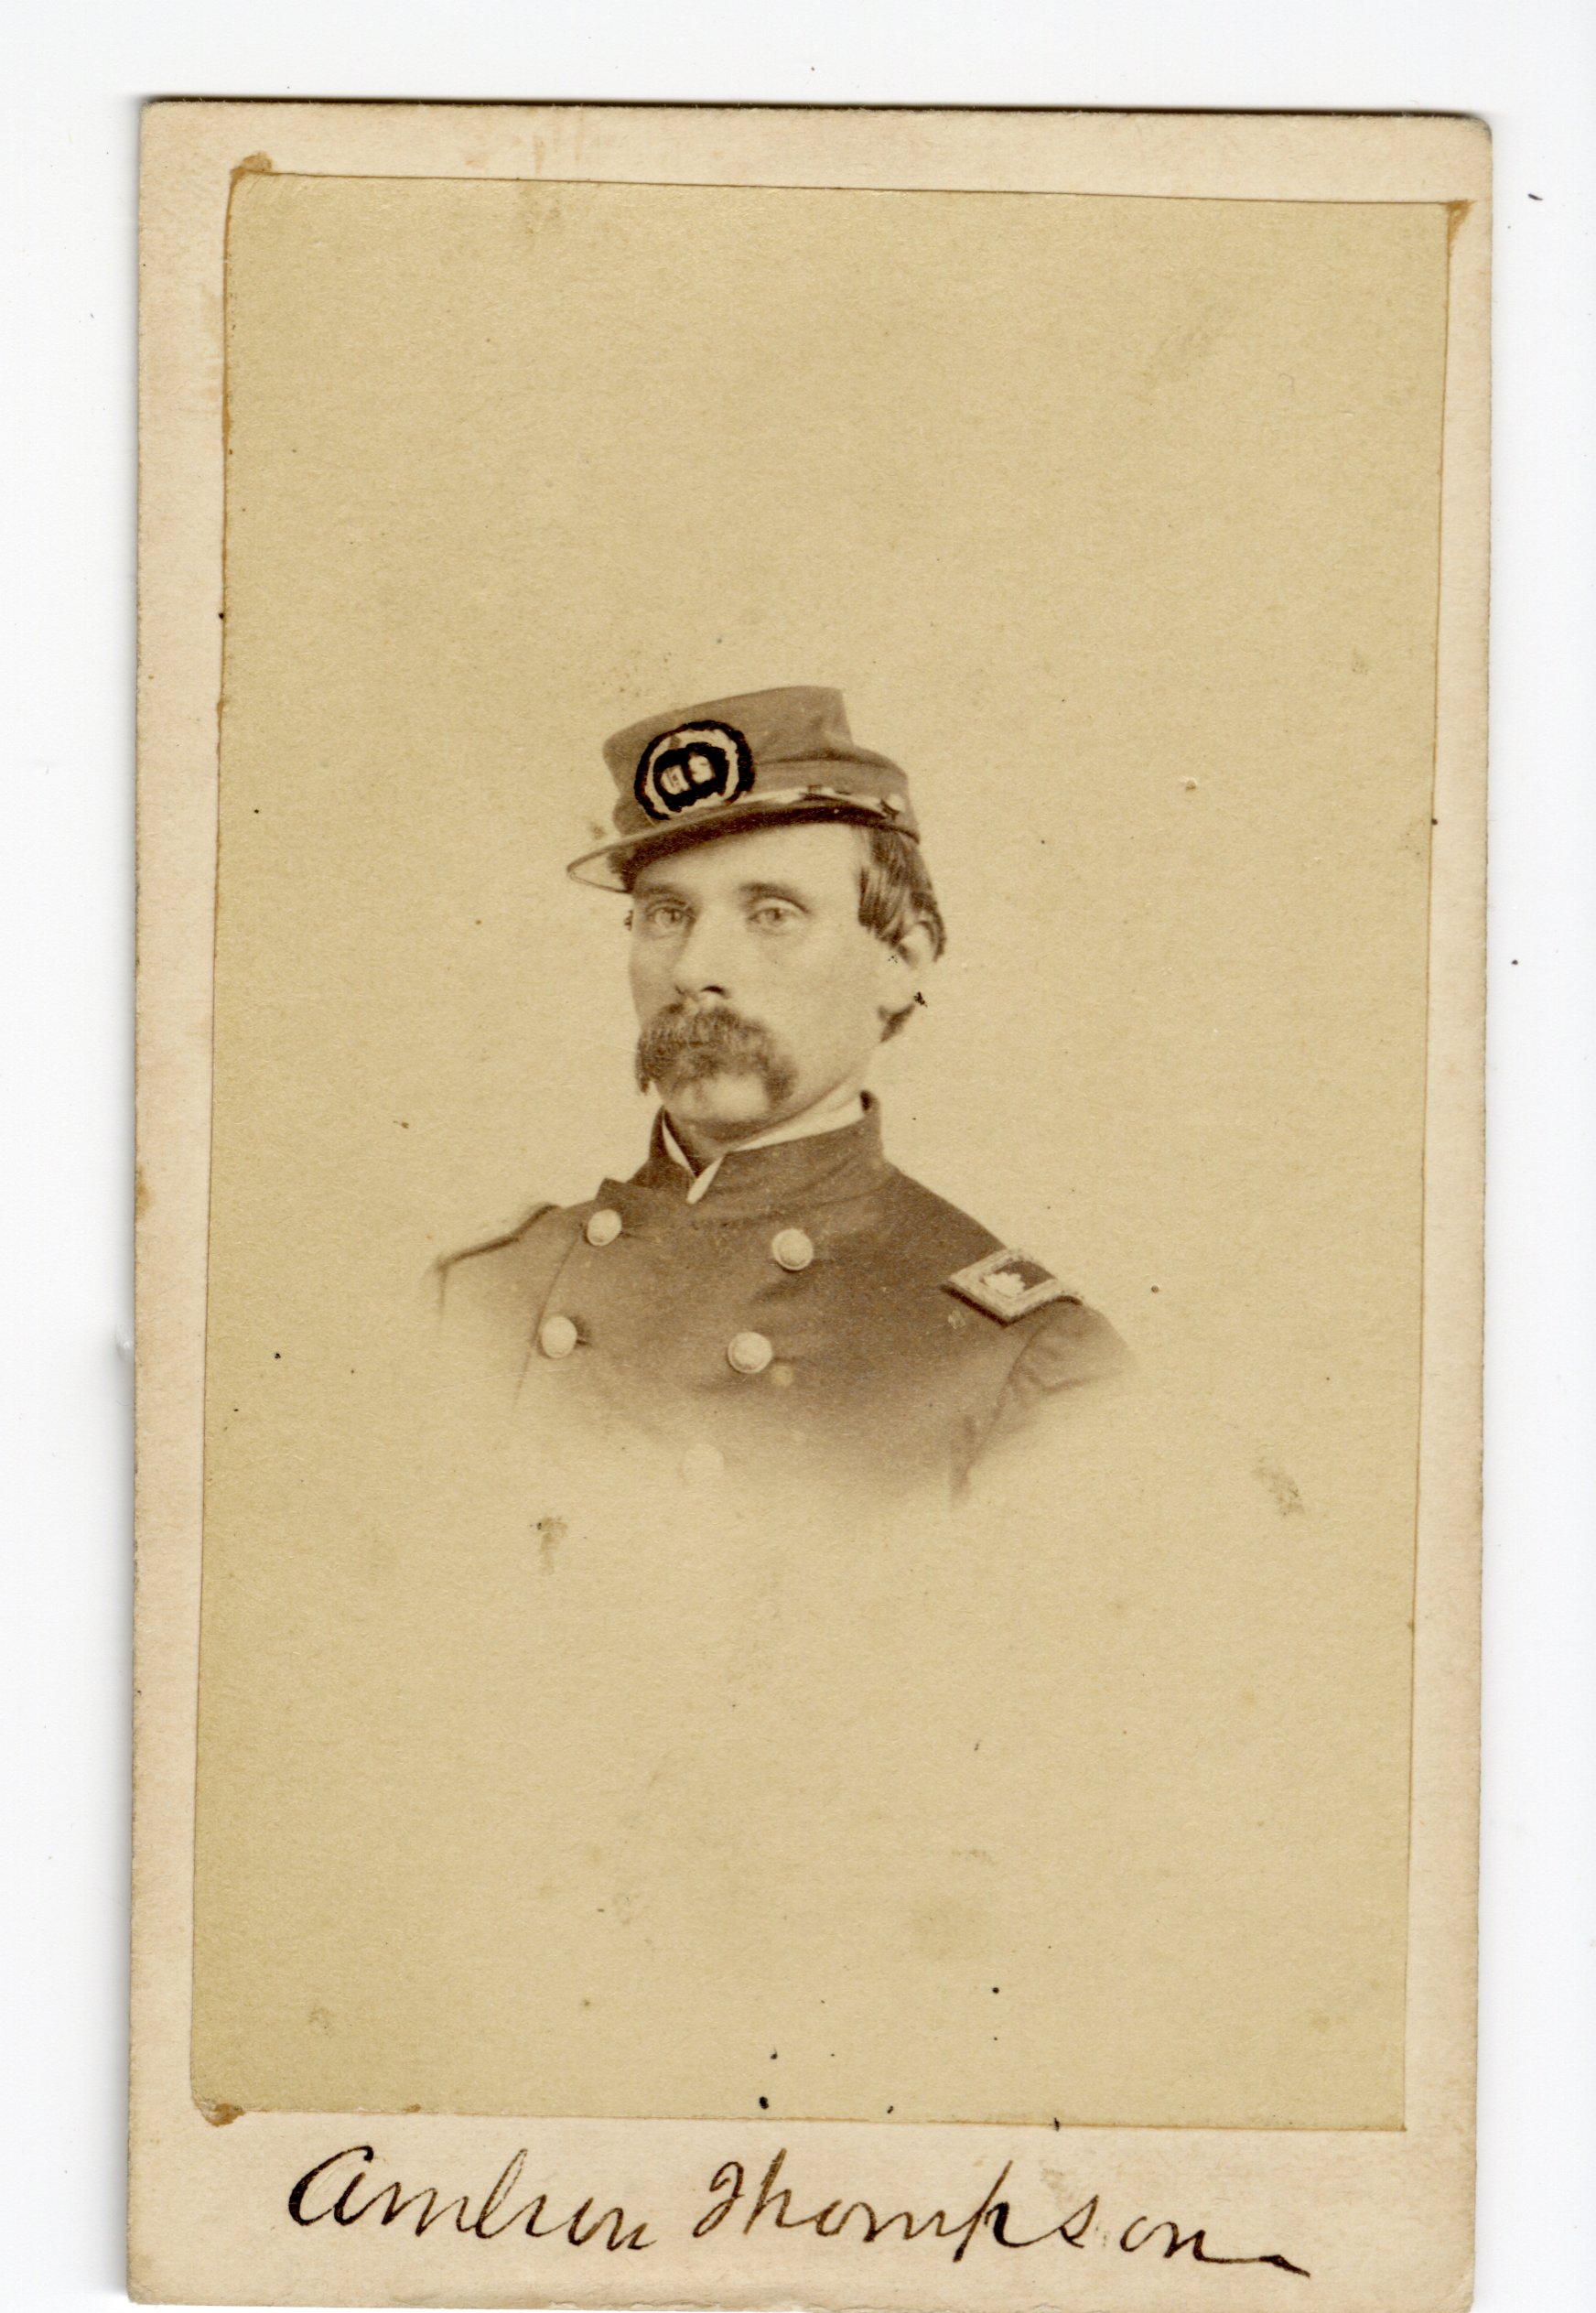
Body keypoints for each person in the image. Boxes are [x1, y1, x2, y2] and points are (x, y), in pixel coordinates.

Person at [437, 686, 1125, 1497]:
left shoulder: (1030, 1364)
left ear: (901, 961)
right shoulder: (474, 1297)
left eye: (771, 914)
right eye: (667, 914)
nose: (694, 969)